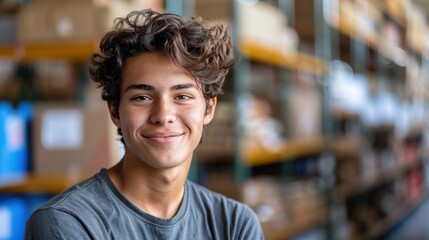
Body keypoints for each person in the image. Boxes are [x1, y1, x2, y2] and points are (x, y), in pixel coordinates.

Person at [25, 9, 264, 240]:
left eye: (182, 96)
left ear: (209, 108)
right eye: (142, 97)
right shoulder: (68, 222)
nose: (163, 115)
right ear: (114, 111)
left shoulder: (235, 224)